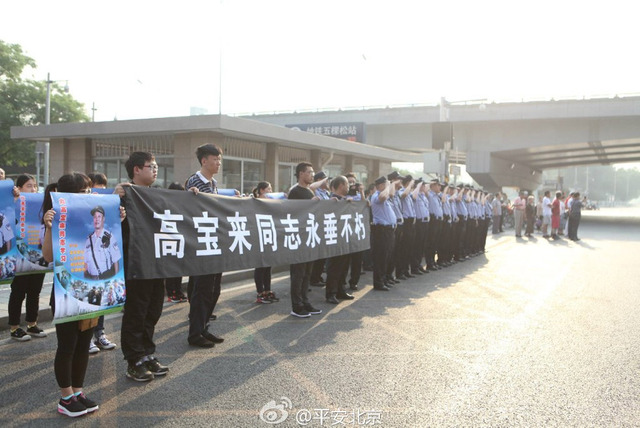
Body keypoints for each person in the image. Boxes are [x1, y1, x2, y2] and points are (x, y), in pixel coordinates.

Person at [42, 172, 105, 417]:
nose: (88, 196)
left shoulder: (92, 220)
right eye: (83, 192)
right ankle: (65, 397)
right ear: (66, 195)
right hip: (65, 293)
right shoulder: (55, 217)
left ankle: (78, 392)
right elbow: (48, 256)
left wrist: (117, 219)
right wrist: (49, 227)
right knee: (67, 346)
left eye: (89, 191)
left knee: (82, 345)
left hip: (91, 290)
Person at [117, 152, 169, 381]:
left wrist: (193, 197)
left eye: (156, 166)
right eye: (151, 166)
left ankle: (148, 353)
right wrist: (114, 195)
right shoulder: (123, 195)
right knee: (136, 312)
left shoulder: (157, 194)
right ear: (136, 169)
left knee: (153, 310)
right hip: (136, 263)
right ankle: (134, 359)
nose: (155, 170)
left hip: (157, 262)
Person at [185, 144, 226, 348]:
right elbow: (189, 208)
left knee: (214, 289)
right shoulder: (194, 181)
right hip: (201, 244)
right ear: (204, 161)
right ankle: (195, 333)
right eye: (215, 159)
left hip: (214, 242)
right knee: (202, 289)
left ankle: (204, 327)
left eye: (219, 159)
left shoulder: (213, 183)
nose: (218, 163)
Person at [8, 174, 47, 341]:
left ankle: (32, 324)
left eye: (35, 186)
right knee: (18, 291)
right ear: (20, 188)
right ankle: (14, 327)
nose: (33, 189)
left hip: (38, 255)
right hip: (20, 256)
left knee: (35, 291)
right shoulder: (13, 203)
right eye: (29, 186)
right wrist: (15, 201)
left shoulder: (41, 205)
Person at [86, 173, 117, 355]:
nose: (101, 190)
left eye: (103, 187)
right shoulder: (88, 237)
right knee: (92, 304)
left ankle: (100, 334)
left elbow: (114, 257)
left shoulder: (109, 234)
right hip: (92, 275)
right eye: (97, 186)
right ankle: (89, 337)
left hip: (106, 274)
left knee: (102, 304)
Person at [288, 162, 323, 318]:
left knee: (307, 273)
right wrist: (311, 203)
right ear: (301, 173)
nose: (312, 175)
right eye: (309, 172)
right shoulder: (295, 192)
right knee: (298, 274)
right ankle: (297, 306)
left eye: (313, 172)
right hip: (298, 238)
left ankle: (305, 302)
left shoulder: (309, 191)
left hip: (310, 237)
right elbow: (293, 212)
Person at [325, 176, 355, 304]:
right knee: (334, 267)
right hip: (334, 239)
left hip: (345, 237)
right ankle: (331, 293)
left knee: (344, 266)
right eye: (347, 184)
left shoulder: (345, 200)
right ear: (341, 185)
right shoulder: (331, 199)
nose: (349, 186)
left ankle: (340, 290)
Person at [252, 181, 279, 304]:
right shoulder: (254, 202)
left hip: (268, 236)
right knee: (260, 266)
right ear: (262, 190)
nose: (271, 191)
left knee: (268, 266)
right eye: (269, 189)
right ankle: (260, 293)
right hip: (258, 237)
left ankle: (268, 291)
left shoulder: (270, 203)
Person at [164, 182, 188, 303]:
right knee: (171, 269)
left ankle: (178, 291)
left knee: (179, 268)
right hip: (168, 241)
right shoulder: (165, 204)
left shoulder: (182, 205)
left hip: (179, 240)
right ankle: (172, 293)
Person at [369, 176, 394, 291]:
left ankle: (383, 279)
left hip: (388, 230)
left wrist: (389, 186)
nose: (387, 186)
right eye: (385, 184)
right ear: (380, 186)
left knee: (386, 257)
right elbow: (383, 196)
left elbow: (391, 194)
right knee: (381, 257)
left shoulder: (385, 196)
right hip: (381, 230)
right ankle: (378, 282)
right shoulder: (376, 195)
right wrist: (388, 186)